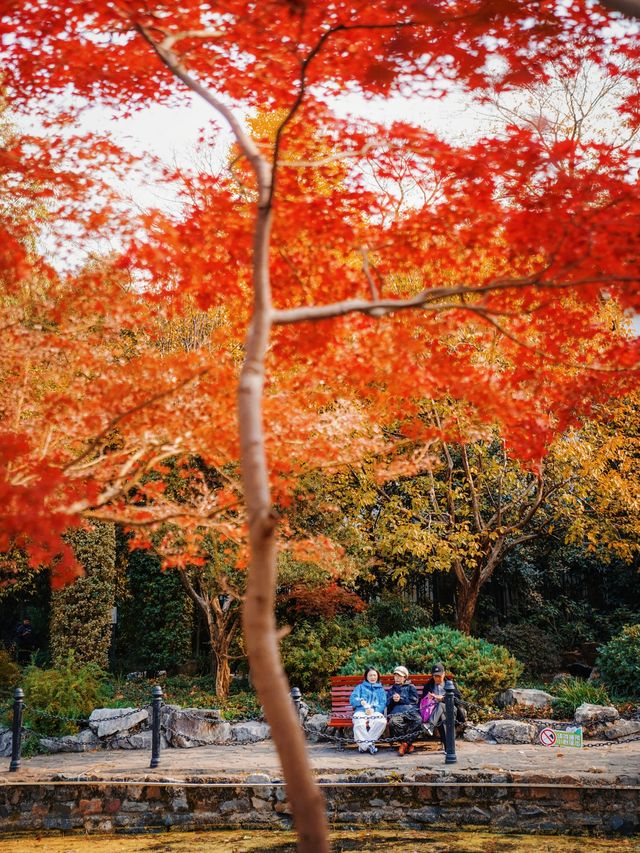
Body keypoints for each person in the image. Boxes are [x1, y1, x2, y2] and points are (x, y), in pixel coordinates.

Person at [420, 662, 464, 748]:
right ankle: (449, 747)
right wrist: (428, 698)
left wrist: (443, 698)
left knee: (440, 705)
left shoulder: (450, 684)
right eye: (435, 676)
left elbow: (458, 698)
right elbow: (423, 701)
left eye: (439, 676)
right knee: (442, 718)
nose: (437, 678)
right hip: (436, 713)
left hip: (451, 709)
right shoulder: (429, 686)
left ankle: (430, 726)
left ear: (444, 674)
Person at [349, 666, 387, 754]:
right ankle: (369, 746)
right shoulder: (360, 687)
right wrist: (360, 702)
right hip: (361, 711)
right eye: (370, 675)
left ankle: (363, 746)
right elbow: (353, 699)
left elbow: (383, 703)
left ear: (377, 676)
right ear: (366, 676)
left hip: (375, 712)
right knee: (359, 722)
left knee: (381, 722)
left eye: (374, 675)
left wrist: (374, 710)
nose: (372, 677)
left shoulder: (381, 690)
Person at [386, 665, 422, 756]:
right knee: (393, 722)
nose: (397, 678)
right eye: (395, 676)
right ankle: (408, 744)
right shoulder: (392, 689)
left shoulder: (411, 687)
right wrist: (392, 700)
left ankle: (404, 744)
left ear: (405, 677)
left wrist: (401, 699)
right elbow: (387, 704)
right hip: (397, 712)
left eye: (400, 676)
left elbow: (414, 700)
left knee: (418, 720)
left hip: (410, 711)